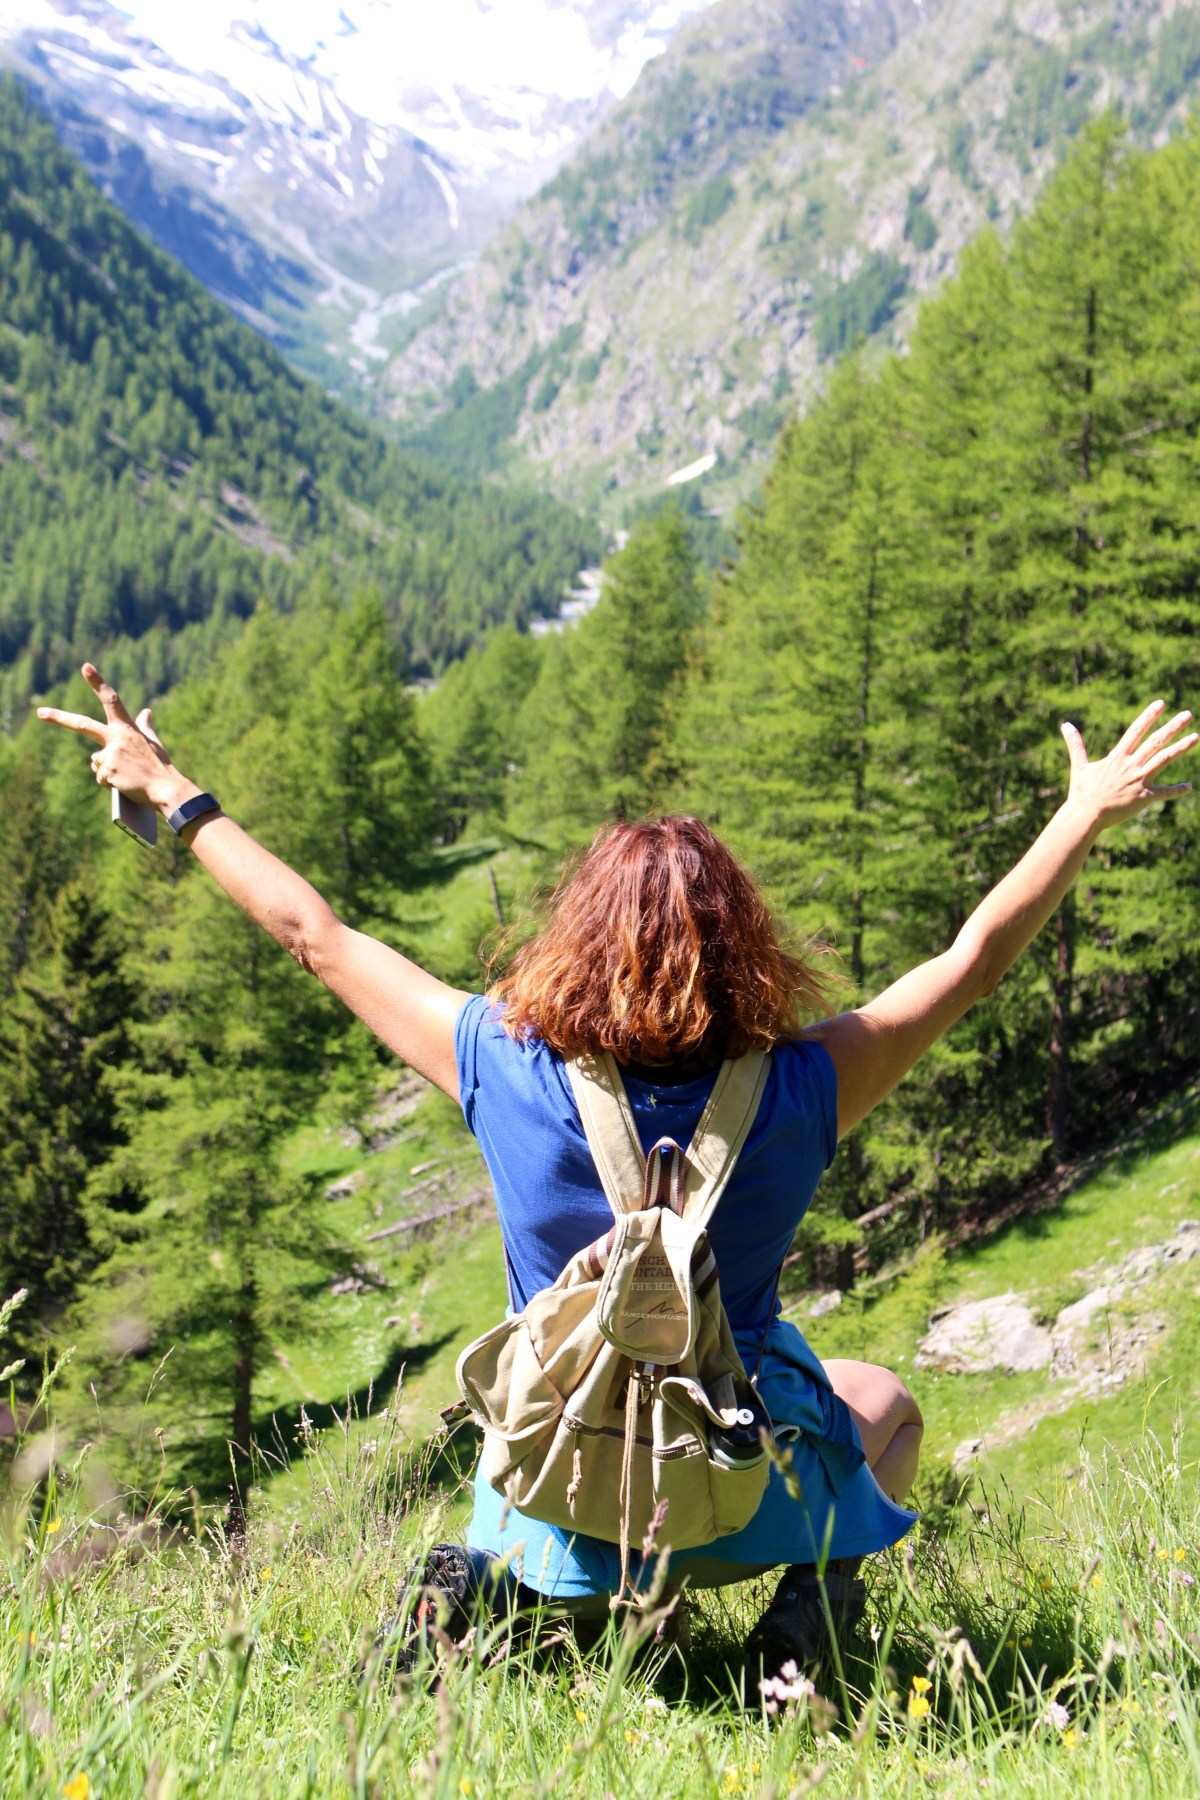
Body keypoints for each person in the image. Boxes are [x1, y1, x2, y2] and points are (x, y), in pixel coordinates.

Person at [39, 667, 1196, 1675]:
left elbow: (315, 935)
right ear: (745, 944)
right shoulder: (808, 1084)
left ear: (577, 937)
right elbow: (972, 960)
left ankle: (504, 1592)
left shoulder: (499, 1063)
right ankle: (803, 1632)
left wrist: (173, 792)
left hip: (557, 1491)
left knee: (544, 1511)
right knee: (883, 1404)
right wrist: (1079, 815)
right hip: (735, 1491)